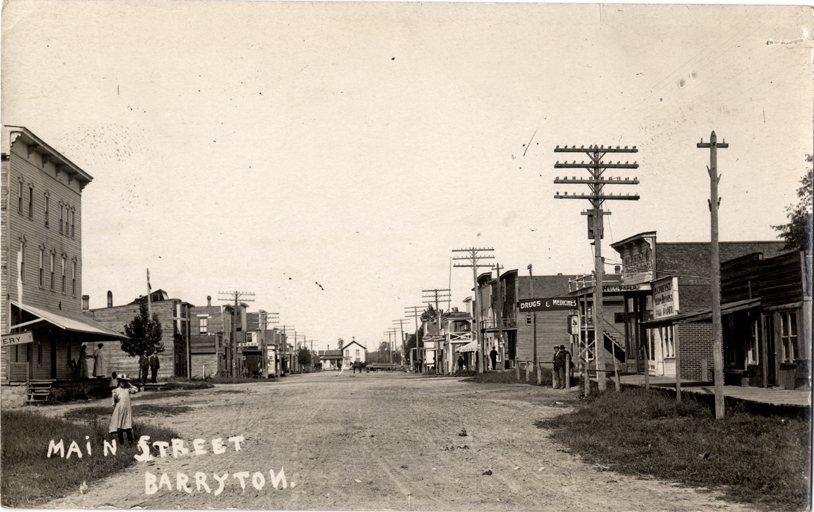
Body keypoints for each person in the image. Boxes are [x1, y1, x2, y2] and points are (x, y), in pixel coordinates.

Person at [109, 374, 137, 445]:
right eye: (121, 382)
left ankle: (130, 443)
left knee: (128, 427)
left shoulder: (127, 390)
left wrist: (129, 384)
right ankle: (121, 443)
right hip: (119, 410)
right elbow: (113, 403)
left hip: (127, 411)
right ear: (119, 382)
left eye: (124, 382)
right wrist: (115, 398)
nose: (123, 383)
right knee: (119, 427)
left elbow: (135, 389)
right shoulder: (116, 390)